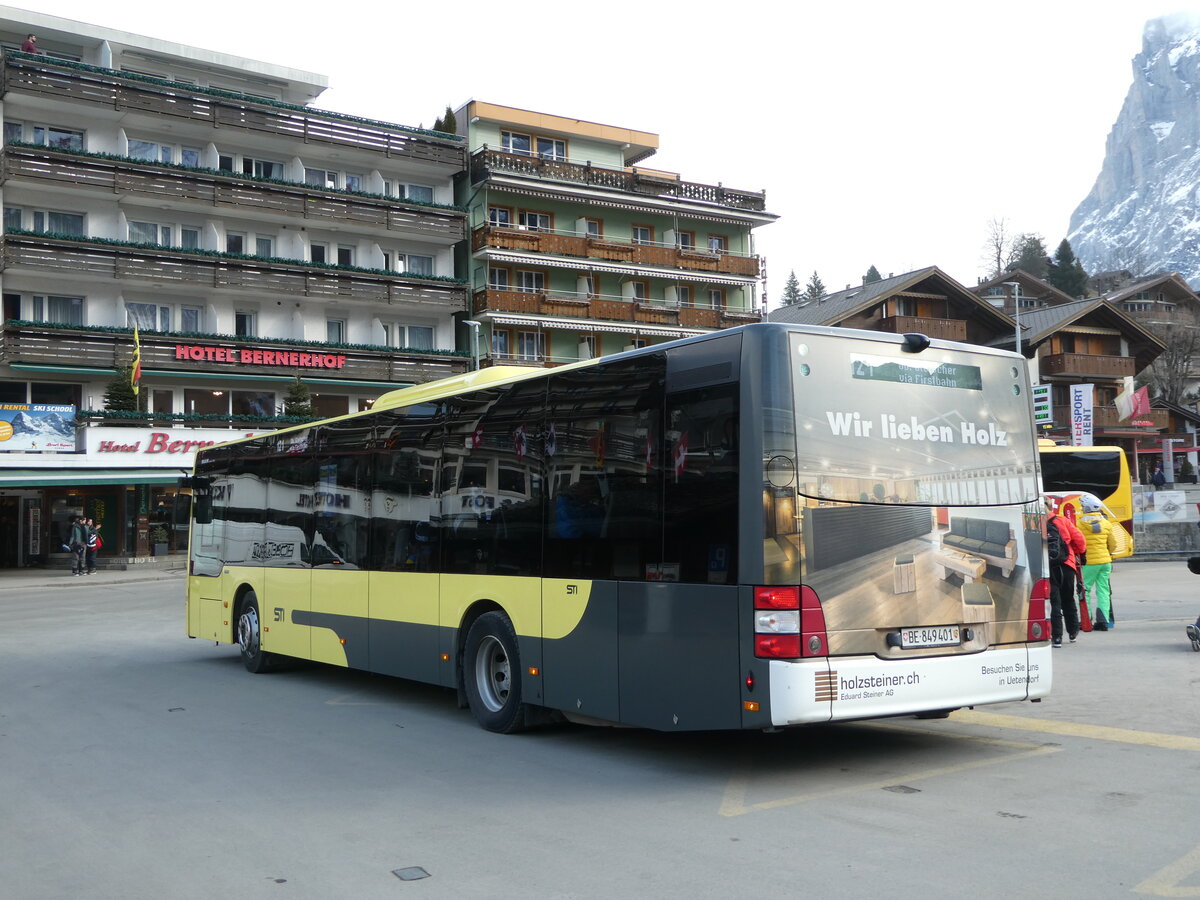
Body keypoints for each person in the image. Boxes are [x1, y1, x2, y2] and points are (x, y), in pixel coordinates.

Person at [1045, 497, 1086, 647]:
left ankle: (1057, 637)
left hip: (1049, 566)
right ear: (1051, 506)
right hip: (1067, 564)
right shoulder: (1062, 520)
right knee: (1068, 598)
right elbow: (1079, 538)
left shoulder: (1036, 523)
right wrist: (1082, 554)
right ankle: (1073, 632)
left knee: (1054, 601)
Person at [1079, 495, 1119, 630]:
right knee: (1103, 590)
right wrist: (1107, 553)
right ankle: (1103, 621)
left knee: (1085, 590)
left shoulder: (1079, 524)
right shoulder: (1106, 523)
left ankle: (1086, 620)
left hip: (1089, 562)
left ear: (1086, 508)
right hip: (1105, 561)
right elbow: (1113, 544)